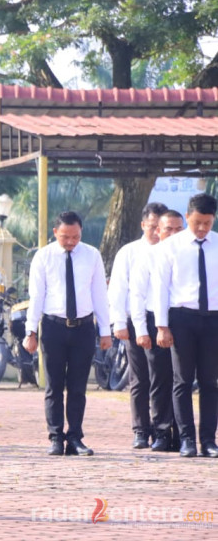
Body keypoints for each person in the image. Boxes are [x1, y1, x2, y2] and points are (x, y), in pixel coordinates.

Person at [24, 211, 111, 457]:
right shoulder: (43, 257)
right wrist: (30, 331)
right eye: (65, 237)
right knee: (53, 385)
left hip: (83, 328)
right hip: (53, 327)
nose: (71, 241)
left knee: (77, 387)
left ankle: (74, 437)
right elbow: (36, 297)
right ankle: (55, 437)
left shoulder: (92, 255)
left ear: (81, 232)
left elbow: (99, 296)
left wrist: (105, 330)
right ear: (55, 233)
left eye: (75, 236)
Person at [154, 193, 218, 458]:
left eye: (207, 222)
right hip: (182, 318)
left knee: (210, 382)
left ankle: (209, 440)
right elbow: (160, 289)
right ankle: (187, 440)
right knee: (182, 381)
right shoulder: (170, 247)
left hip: (213, 319)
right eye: (197, 223)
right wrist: (161, 326)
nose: (202, 228)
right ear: (188, 217)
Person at [108, 202, 168, 449]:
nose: (155, 232)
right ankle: (141, 430)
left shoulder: (171, 250)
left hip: (165, 322)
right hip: (135, 322)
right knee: (140, 378)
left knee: (164, 379)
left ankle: (164, 430)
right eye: (151, 226)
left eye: (159, 227)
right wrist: (119, 322)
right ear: (143, 224)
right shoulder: (129, 252)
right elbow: (118, 289)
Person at [129, 209, 184, 452]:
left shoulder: (191, 254)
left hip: (185, 319)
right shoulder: (148, 257)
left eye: (178, 229)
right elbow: (137, 296)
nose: (173, 234)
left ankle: (184, 433)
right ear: (158, 231)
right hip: (154, 322)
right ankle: (161, 431)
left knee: (182, 379)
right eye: (168, 229)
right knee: (159, 379)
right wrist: (141, 329)